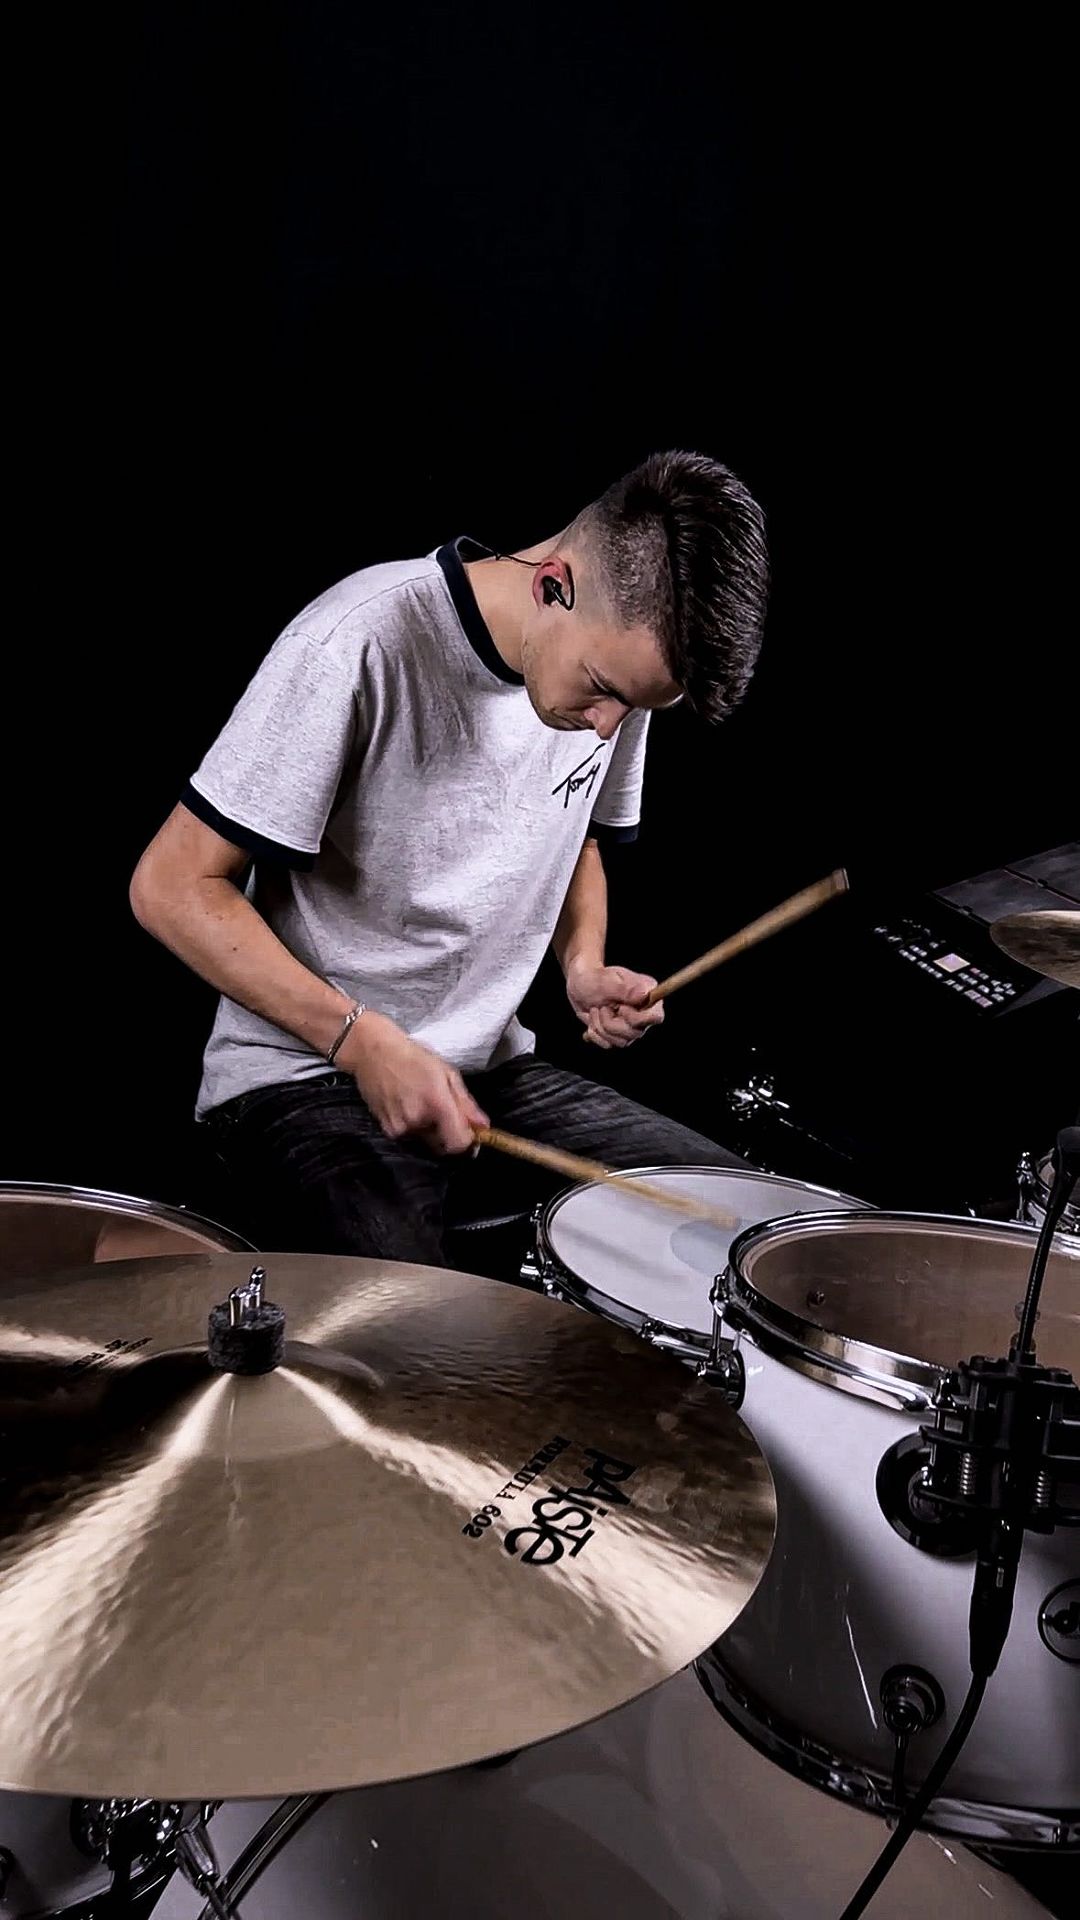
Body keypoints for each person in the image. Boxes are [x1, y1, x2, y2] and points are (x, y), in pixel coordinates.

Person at [130, 449, 770, 1264]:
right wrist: (363, 1042)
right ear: (553, 583)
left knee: (745, 1230)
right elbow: (171, 884)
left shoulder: (616, 679)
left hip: (488, 1075)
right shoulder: (359, 640)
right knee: (420, 1325)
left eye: (638, 706)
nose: (609, 726)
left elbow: (577, 831)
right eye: (605, 690)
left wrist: (582, 964)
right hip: (301, 1078)